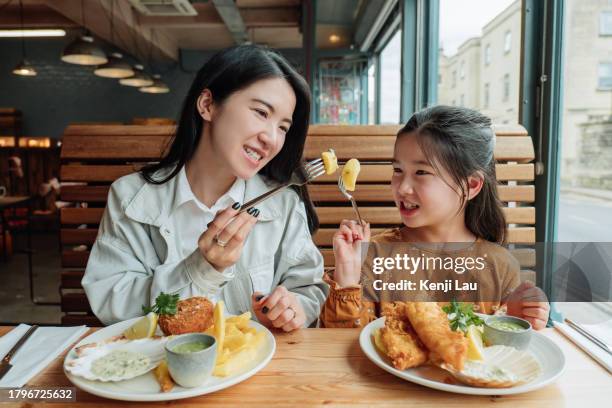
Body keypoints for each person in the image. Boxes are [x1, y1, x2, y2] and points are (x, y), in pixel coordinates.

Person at [83, 45, 327, 331]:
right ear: (208, 105)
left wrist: (291, 309)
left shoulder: (282, 204)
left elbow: (307, 288)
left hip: (256, 368)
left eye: (283, 127)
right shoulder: (131, 198)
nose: (272, 139)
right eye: (261, 112)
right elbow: (113, 303)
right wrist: (201, 268)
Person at [320, 105, 549, 329]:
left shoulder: (499, 266)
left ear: (471, 185)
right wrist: (348, 279)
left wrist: (522, 315)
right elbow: (346, 345)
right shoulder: (373, 256)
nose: (402, 188)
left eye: (421, 172)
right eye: (397, 170)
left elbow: (504, 347)